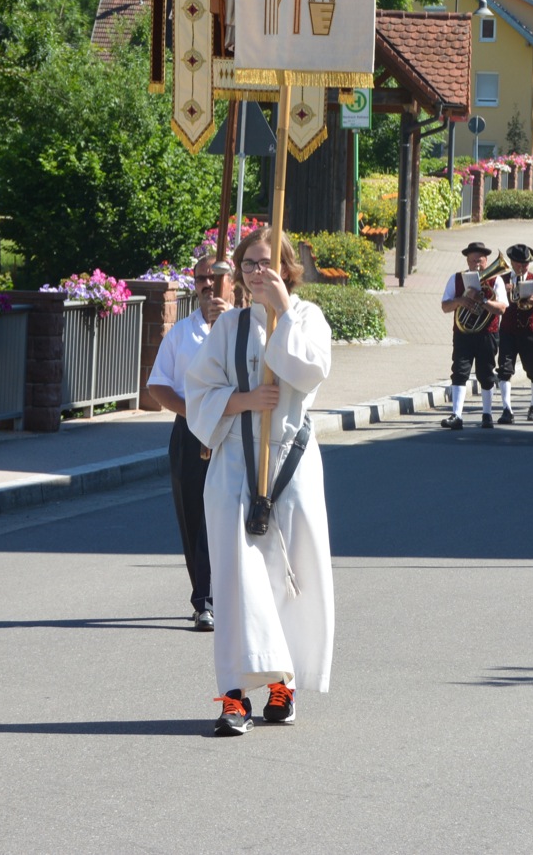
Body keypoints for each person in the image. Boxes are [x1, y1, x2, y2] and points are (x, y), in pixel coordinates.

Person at [185, 228, 334, 737]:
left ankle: (281, 687)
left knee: (286, 580)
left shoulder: (308, 318)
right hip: (233, 463)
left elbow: (307, 371)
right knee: (236, 582)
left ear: (287, 268)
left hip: (290, 461)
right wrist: (243, 401)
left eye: (266, 263)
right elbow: (198, 393)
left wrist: (283, 311)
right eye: (248, 263)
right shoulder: (229, 326)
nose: (255, 272)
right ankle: (234, 696)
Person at [145, 255, 232, 632]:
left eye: (216, 278)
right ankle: (204, 600)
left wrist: (227, 325)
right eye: (201, 279)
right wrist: (194, 414)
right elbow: (158, 384)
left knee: (229, 516)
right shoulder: (181, 333)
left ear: (232, 282)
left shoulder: (245, 327)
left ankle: (227, 594)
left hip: (233, 431)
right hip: (190, 432)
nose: (209, 285)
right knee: (194, 517)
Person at [441, 242, 508, 429]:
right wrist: (460, 301)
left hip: (487, 334)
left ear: (486, 261)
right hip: (463, 334)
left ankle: (487, 414)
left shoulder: (496, 281)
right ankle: (457, 415)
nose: (476, 265)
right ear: (467, 261)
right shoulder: (456, 279)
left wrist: (482, 300)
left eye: (480, 261)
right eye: (472, 261)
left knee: (486, 374)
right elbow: (445, 306)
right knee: (459, 372)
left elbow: (502, 308)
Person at [495, 244, 533, 422]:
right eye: (518, 263)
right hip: (508, 331)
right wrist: (503, 292)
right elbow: (493, 303)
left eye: (525, 264)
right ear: (511, 262)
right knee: (504, 369)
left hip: (530, 331)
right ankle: (507, 409)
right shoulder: (502, 280)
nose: (522, 267)